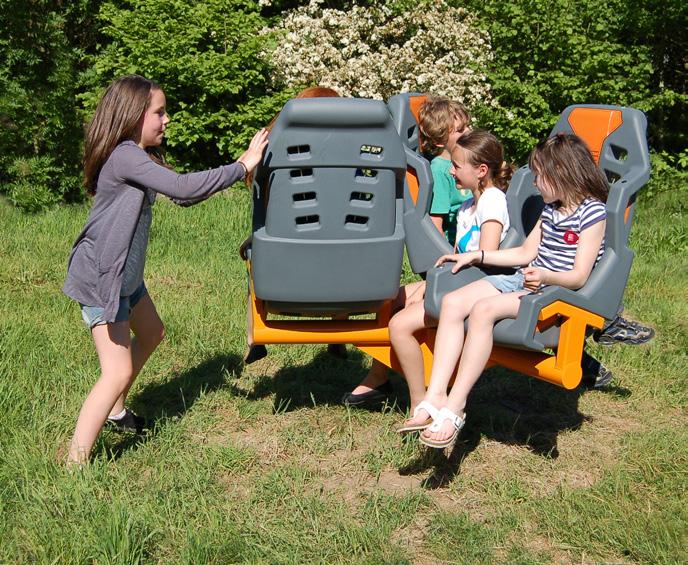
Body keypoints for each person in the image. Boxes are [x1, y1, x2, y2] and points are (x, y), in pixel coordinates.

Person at [62, 75, 269, 465]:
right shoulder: (125, 155)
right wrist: (241, 165)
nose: (166, 119)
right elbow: (184, 188)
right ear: (134, 114)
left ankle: (116, 410)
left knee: (152, 333)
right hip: (103, 280)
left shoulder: (140, 156)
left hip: (126, 278)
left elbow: (184, 195)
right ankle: (75, 462)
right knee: (115, 372)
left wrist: (236, 171)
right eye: (159, 112)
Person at [410, 133, 608, 448]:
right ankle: (435, 396)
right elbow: (525, 253)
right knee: (452, 302)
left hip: (552, 294)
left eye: (540, 176)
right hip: (524, 280)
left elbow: (579, 276)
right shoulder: (551, 208)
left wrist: (545, 276)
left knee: (483, 309)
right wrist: (478, 256)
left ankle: (456, 406)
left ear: (561, 173)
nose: (536, 183)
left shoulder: (592, 213)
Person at [341, 97, 475, 408]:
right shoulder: (442, 171)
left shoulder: (464, 168)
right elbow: (435, 229)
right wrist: (445, 268)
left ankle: (382, 377)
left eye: (468, 126)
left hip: (468, 258)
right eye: (460, 130)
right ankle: (382, 376)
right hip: (453, 262)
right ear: (440, 140)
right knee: (393, 303)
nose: (468, 132)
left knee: (397, 305)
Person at [241, 86, 349, 365]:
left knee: (252, 249)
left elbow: (254, 188)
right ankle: (338, 332)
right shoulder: (353, 155)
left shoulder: (277, 151)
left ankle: (255, 336)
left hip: (286, 260)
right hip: (347, 260)